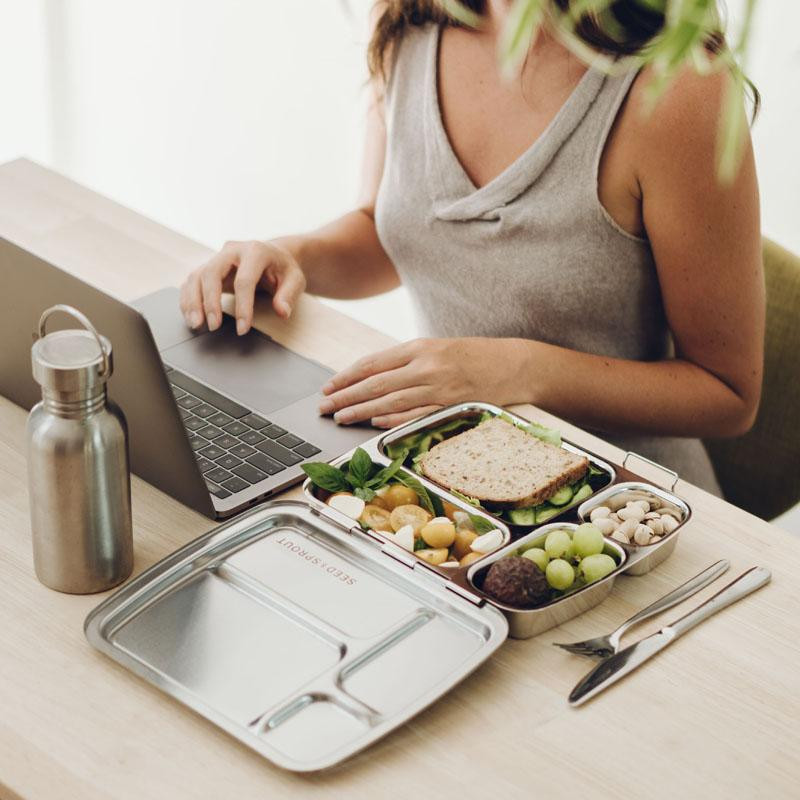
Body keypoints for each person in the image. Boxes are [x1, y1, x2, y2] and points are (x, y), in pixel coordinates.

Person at [179, 0, 764, 494]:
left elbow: (729, 395)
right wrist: (293, 257)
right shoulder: (409, 17)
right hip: (452, 478)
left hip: (625, 510)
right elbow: (394, 231)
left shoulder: (679, 89)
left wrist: (520, 370)